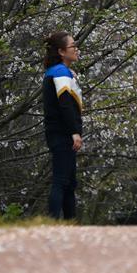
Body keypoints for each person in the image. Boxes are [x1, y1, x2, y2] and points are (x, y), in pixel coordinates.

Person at [42, 31, 83, 220]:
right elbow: (65, 105)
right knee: (61, 181)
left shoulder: (60, 72)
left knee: (69, 182)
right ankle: (53, 224)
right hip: (62, 133)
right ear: (61, 51)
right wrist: (74, 131)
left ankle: (70, 225)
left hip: (60, 132)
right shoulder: (60, 73)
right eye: (72, 46)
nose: (76, 49)